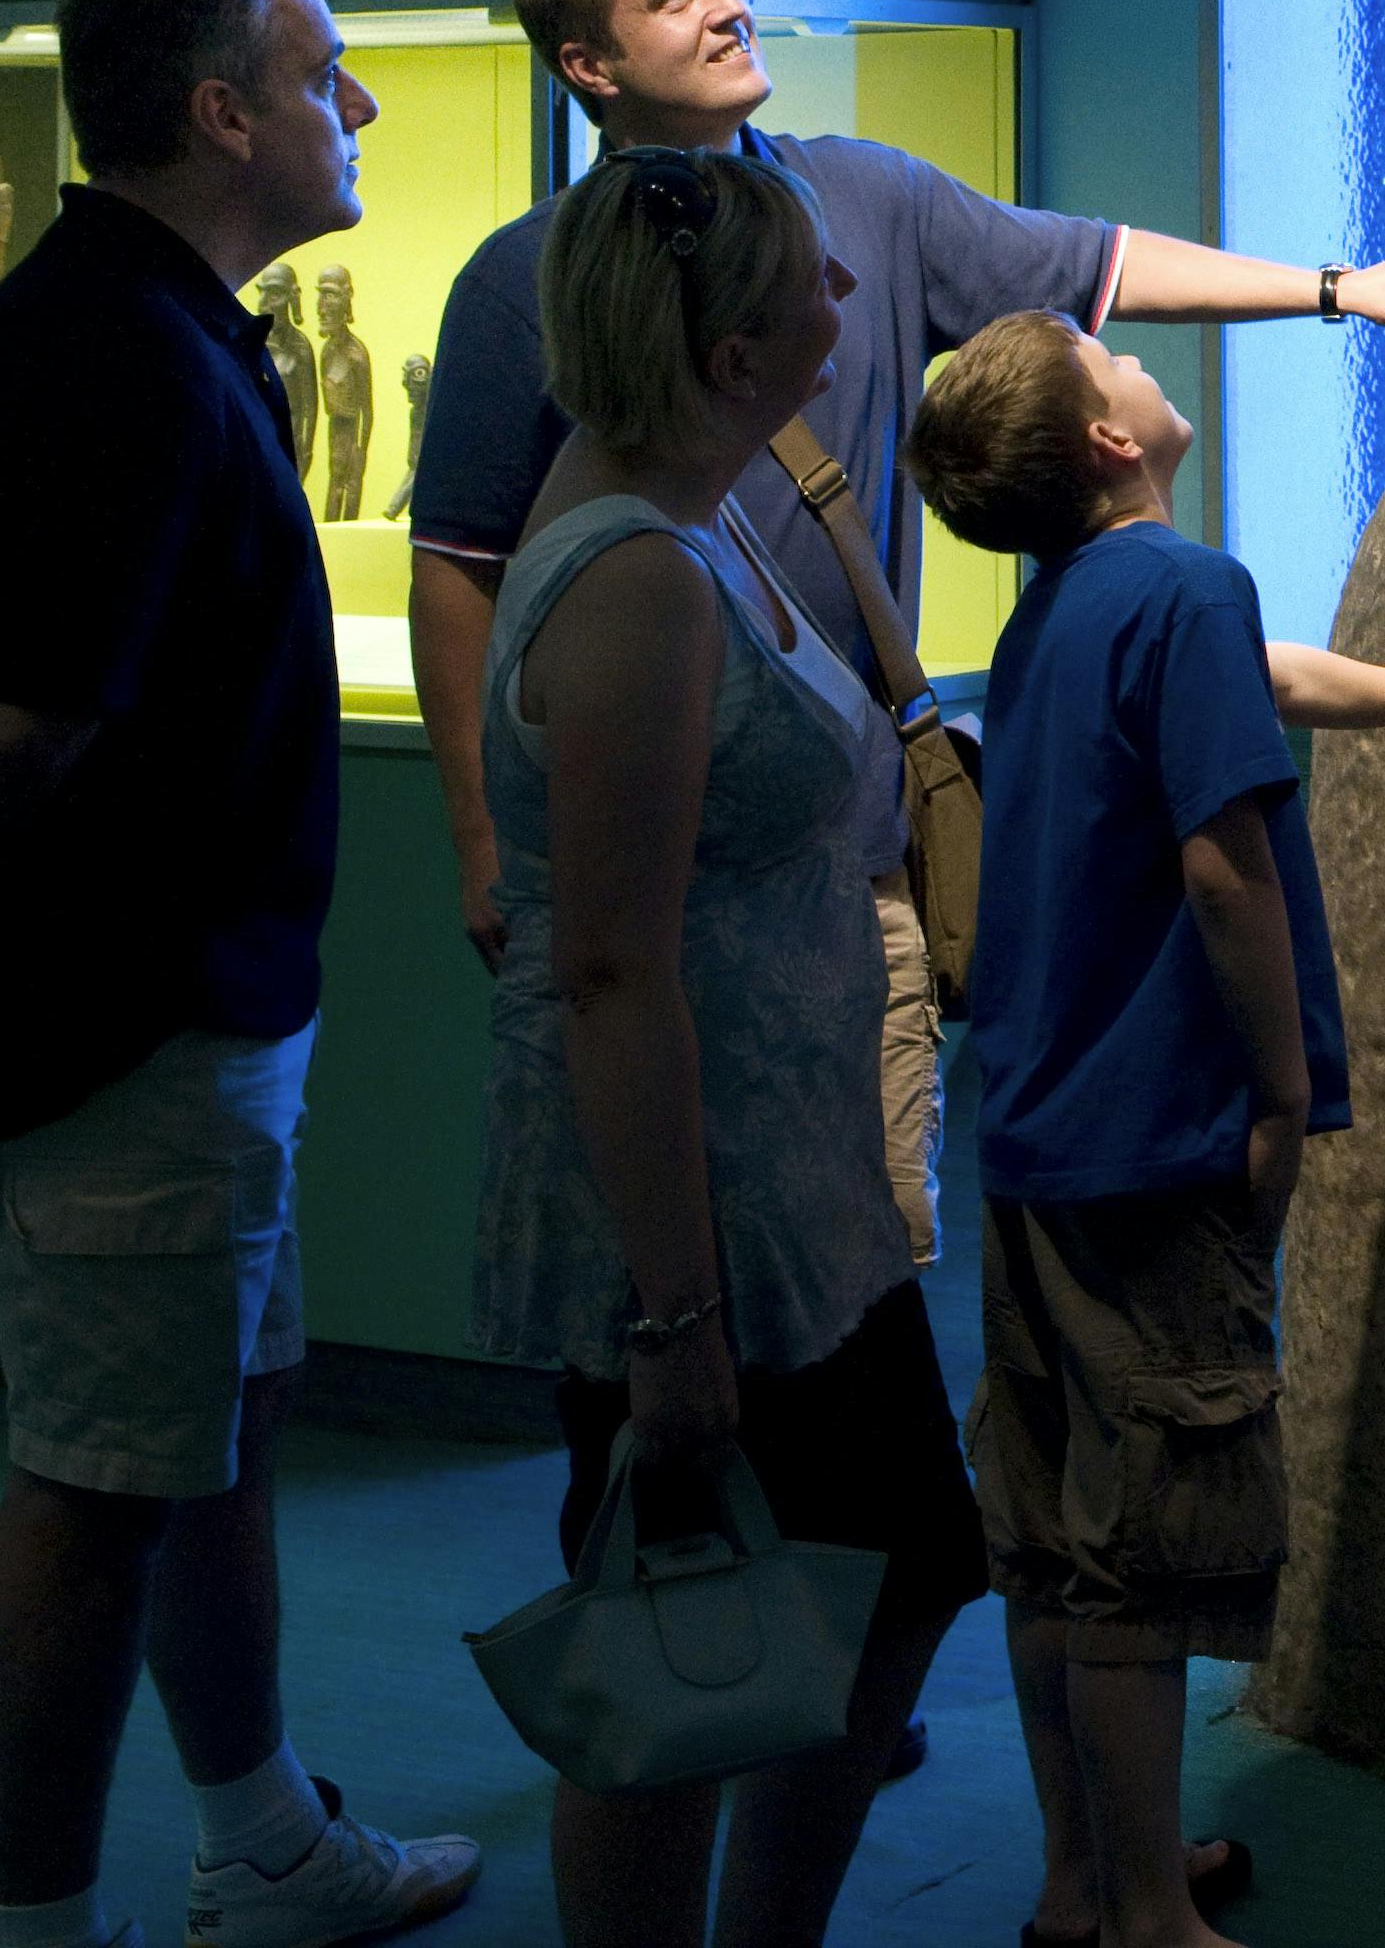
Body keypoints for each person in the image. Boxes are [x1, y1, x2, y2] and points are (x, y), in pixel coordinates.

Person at [0, 0, 479, 1948]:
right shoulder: (115, 348)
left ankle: (262, 1841)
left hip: (189, 1006)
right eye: (330, 72)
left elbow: (45, 686)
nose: (366, 106)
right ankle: (33, 1932)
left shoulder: (153, 327)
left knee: (210, 1433)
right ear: (221, 110)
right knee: (91, 1489)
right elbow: (35, 704)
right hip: (124, 1022)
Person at [407, 0, 1385, 1275]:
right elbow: (458, 567)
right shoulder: (526, 282)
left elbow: (1092, 264)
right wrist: (483, 839)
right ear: (587, 68)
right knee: (653, 1274)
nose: (725, 4)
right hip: (637, 860)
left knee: (865, 1250)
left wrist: (1337, 290)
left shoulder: (863, 196)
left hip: (847, 855)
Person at [473, 142, 983, 1947]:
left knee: (895, 1571)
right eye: (812, 292)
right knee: (670, 1648)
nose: (846, 314)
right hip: (703, 1216)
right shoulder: (635, 581)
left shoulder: (687, 518)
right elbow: (615, 971)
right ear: (725, 345)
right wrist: (675, 1321)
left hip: (789, 1184)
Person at [903, 308, 1358, 1948]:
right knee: (1146, 1545)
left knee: (1045, 1525)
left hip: (1033, 1129)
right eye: (1119, 365)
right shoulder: (1184, 588)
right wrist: (1286, 1088)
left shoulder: (1058, 616)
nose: (1145, 367)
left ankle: (1081, 1873)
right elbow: (1223, 861)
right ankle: (1156, 1913)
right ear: (1109, 443)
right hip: (1157, 1136)